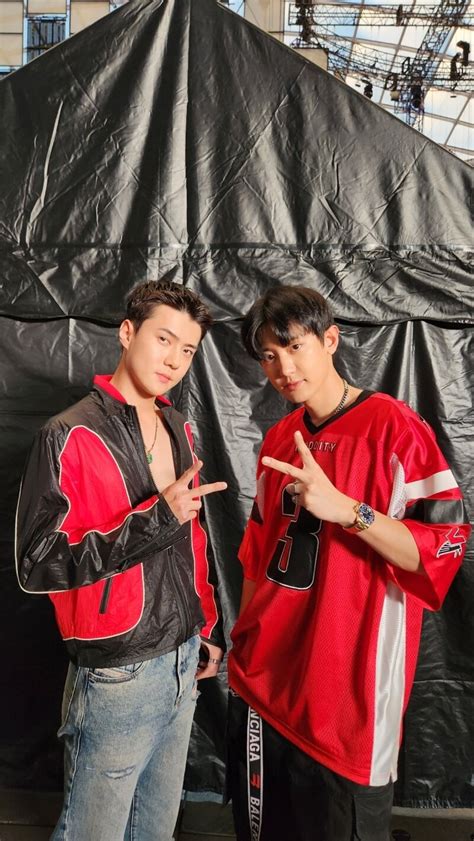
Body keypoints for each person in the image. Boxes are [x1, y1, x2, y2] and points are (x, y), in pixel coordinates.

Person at [227, 285, 470, 841]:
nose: (284, 368)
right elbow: (256, 556)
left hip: (346, 698)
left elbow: (442, 549)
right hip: (265, 685)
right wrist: (243, 645)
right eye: (268, 355)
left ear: (331, 340)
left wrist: (349, 511)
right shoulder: (279, 438)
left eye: (294, 346)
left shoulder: (394, 427)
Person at [16, 274, 227, 841]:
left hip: (183, 657)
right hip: (118, 671)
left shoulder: (178, 426)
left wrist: (204, 625)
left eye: (188, 350)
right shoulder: (67, 434)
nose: (174, 359)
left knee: (155, 830)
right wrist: (155, 517)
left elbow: (191, 543)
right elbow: (38, 562)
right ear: (128, 333)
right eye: (164, 339)